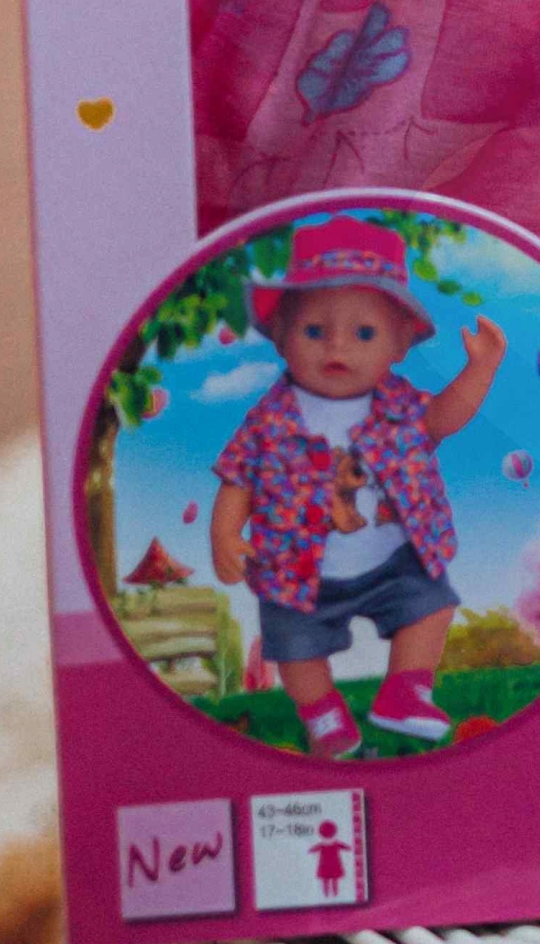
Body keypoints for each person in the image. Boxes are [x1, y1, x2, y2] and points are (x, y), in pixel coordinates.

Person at [210, 215, 503, 756]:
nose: (336, 347)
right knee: (294, 646)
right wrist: (225, 536)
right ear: (281, 337)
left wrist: (480, 369)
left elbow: (442, 419)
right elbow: (238, 478)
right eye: (314, 331)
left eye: (364, 333)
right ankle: (321, 712)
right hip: (296, 571)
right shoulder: (269, 420)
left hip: (392, 560)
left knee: (431, 604)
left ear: (400, 343)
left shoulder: (401, 405)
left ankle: (405, 691)